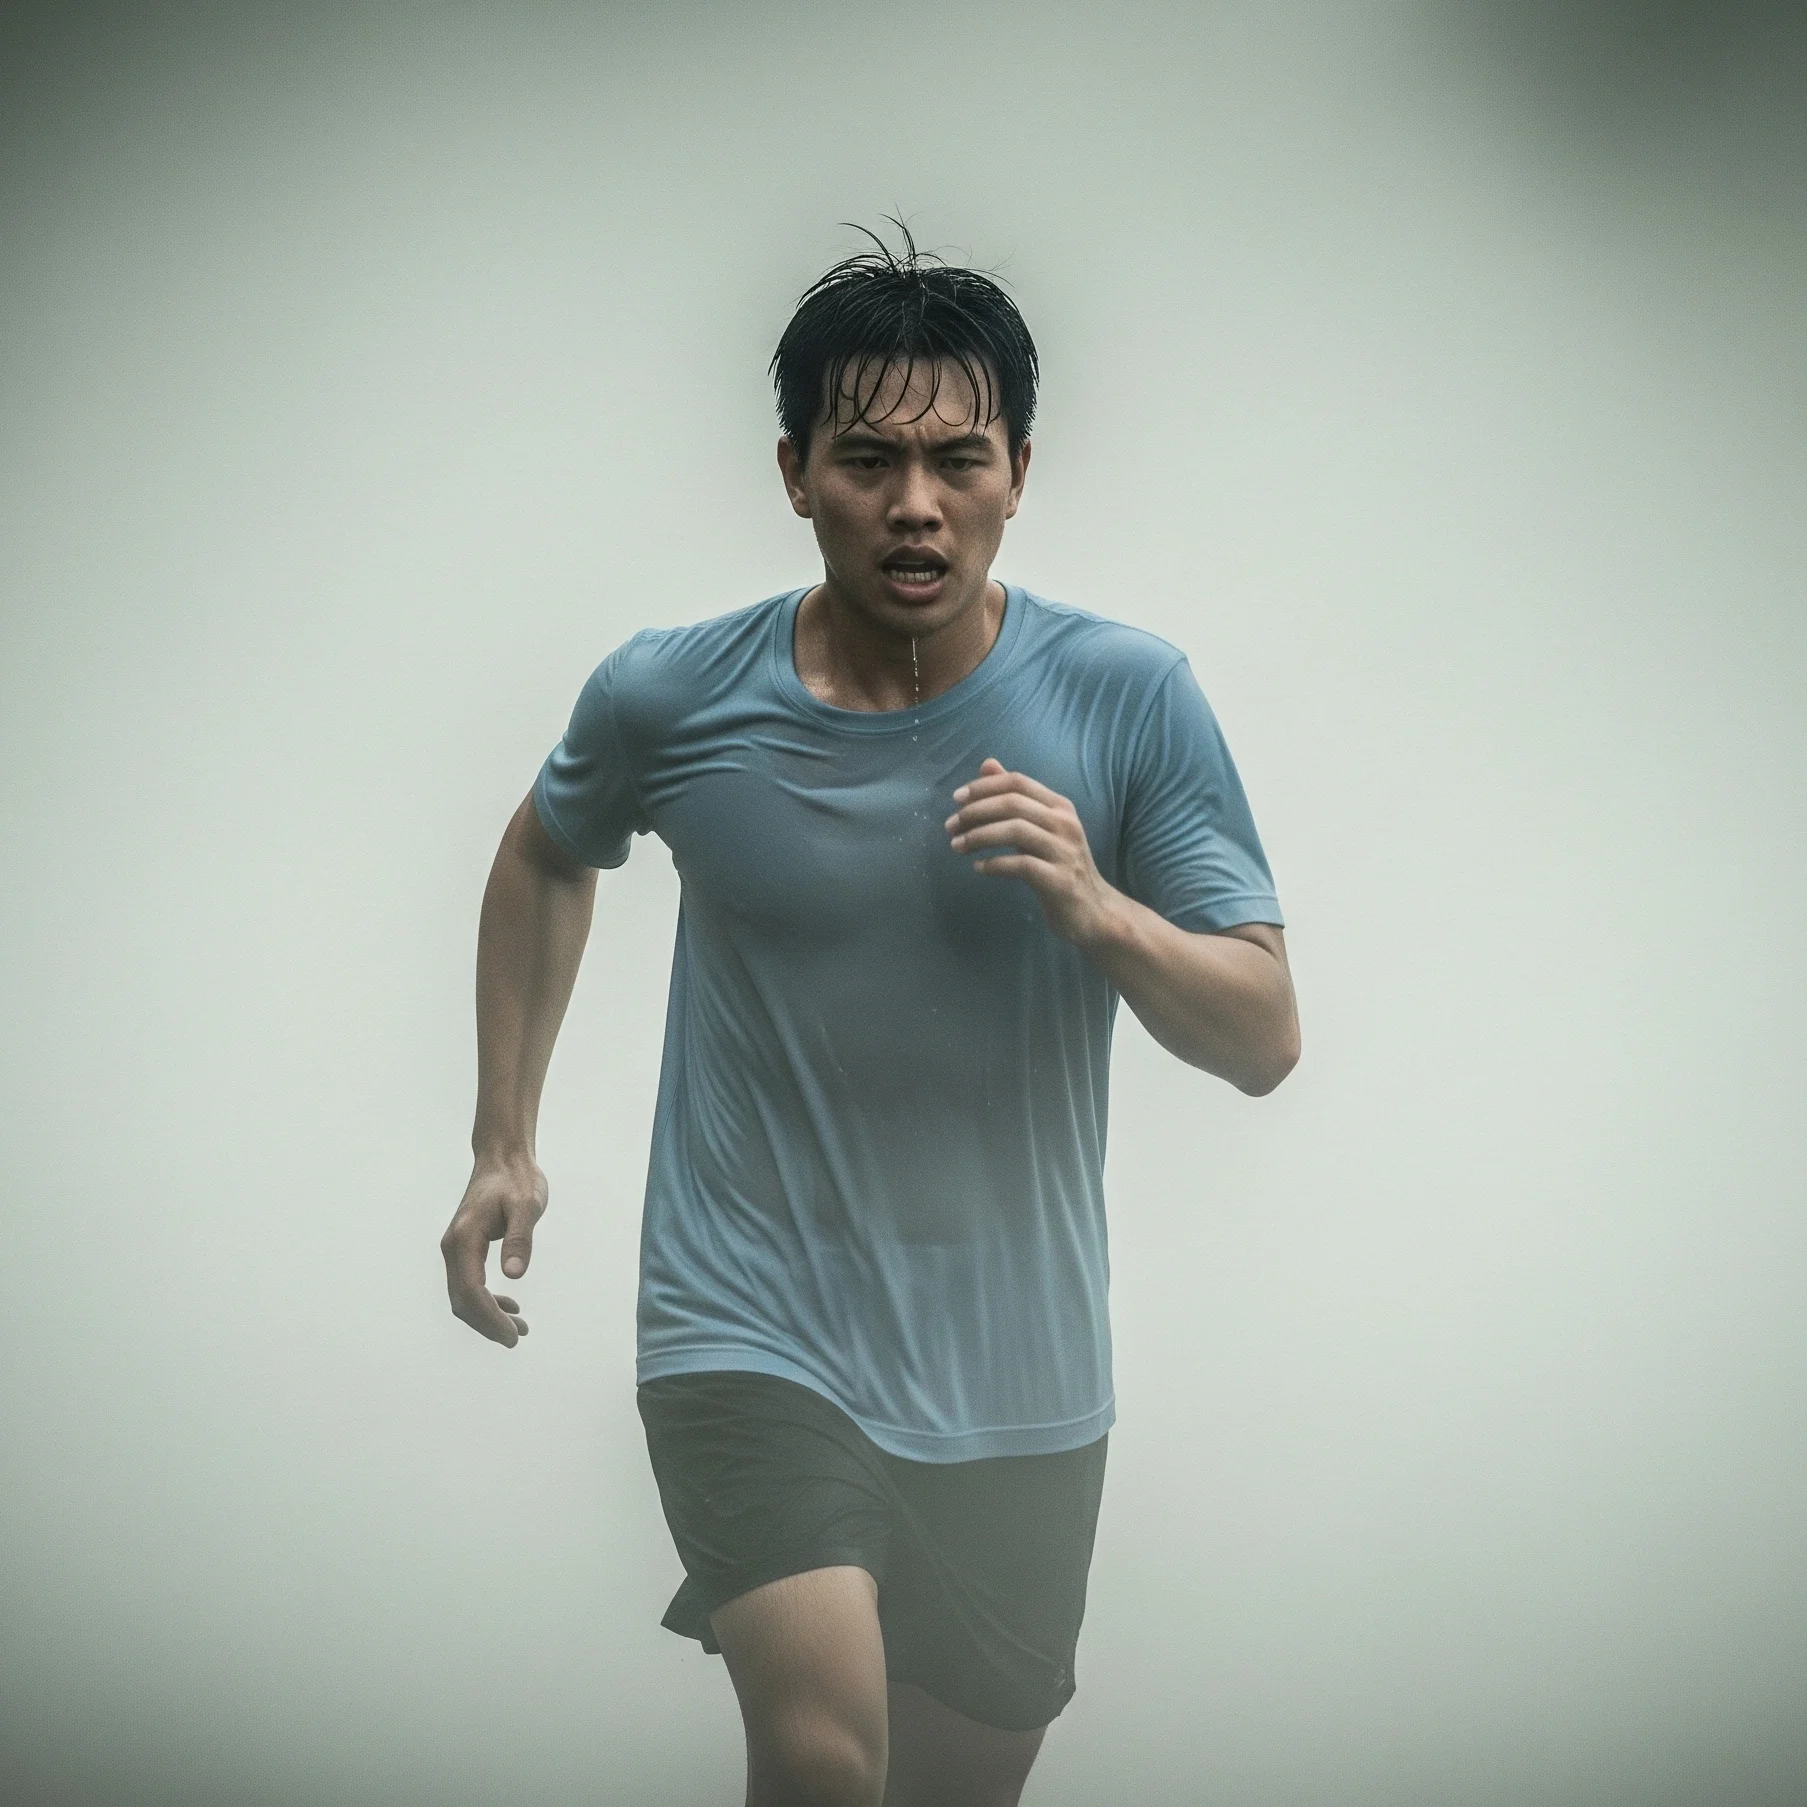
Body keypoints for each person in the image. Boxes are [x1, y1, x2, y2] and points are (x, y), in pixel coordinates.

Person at [439, 227, 1300, 1807]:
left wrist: (1101, 907)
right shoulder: (669, 696)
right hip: (745, 1324)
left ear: (1019, 470)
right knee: (827, 1754)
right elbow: (544, 855)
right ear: (795, 471)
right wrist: (505, 1139)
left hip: (1020, 1370)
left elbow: (1261, 1034)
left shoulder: (1125, 697)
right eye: (869, 458)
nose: (916, 504)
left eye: (958, 458)